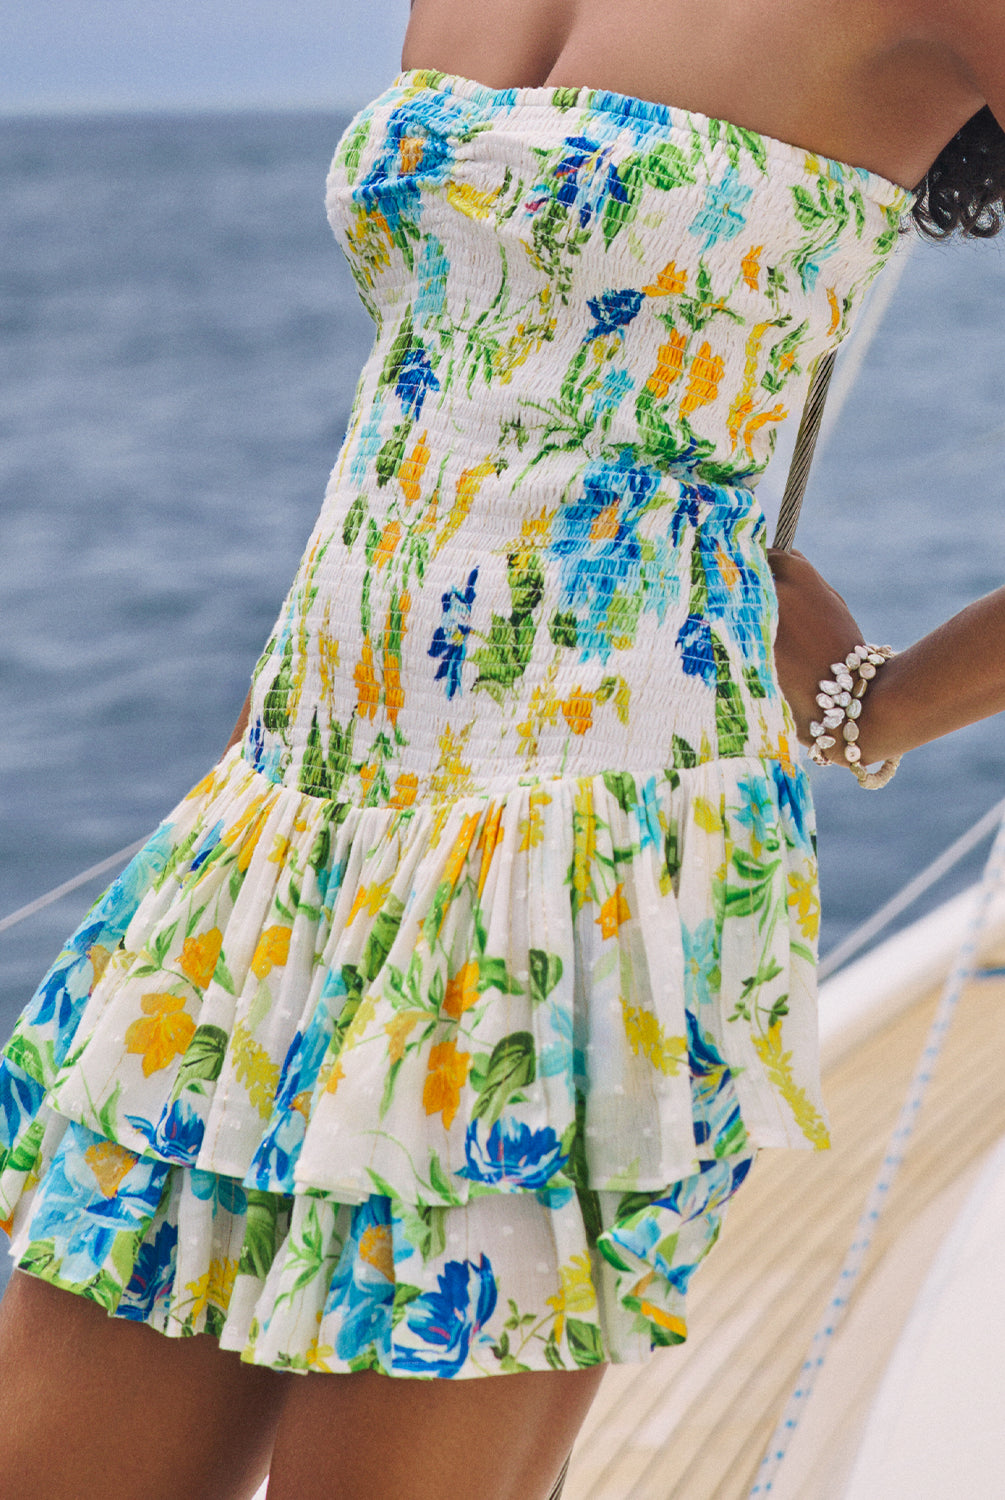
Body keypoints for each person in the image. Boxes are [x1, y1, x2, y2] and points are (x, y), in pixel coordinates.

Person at [1, 2, 1004, 1496]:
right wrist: (242, 778)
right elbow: (440, 378)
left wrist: (890, 697)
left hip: (575, 854)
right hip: (284, 816)